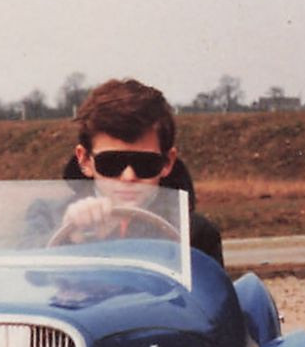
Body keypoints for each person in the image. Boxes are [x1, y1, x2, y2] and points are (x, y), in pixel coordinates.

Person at [44, 78, 224, 265]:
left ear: (167, 162)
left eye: (145, 163)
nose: (128, 177)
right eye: (111, 162)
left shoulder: (195, 232)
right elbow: (27, 275)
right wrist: (67, 235)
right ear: (85, 160)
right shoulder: (48, 216)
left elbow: (212, 292)